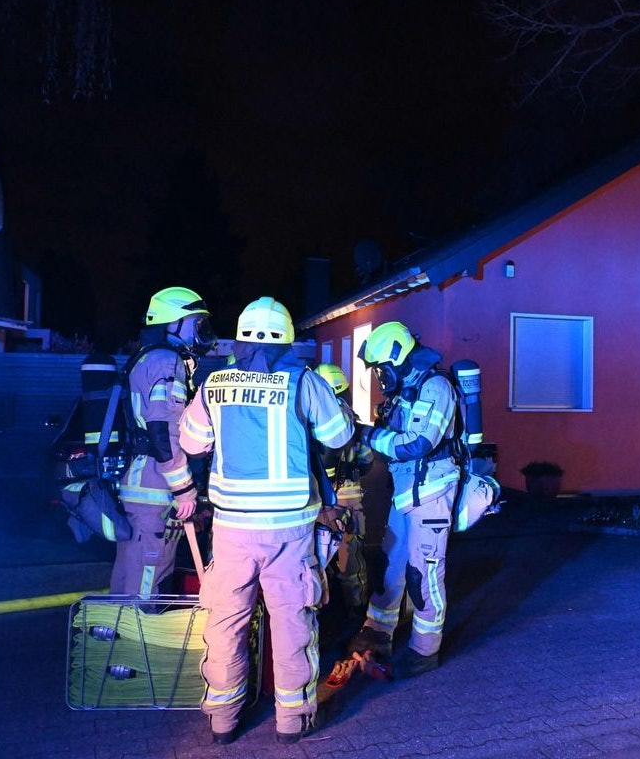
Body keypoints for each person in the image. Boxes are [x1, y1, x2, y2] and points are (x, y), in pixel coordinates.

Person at [179, 297, 352, 745]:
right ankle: (292, 721)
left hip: (233, 531)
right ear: (288, 338)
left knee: (225, 623)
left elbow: (192, 443)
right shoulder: (304, 382)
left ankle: (222, 719)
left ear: (240, 337)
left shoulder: (215, 384)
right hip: (290, 531)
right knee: (292, 622)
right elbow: (339, 436)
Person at [347, 321, 460, 678]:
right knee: (390, 564)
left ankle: (426, 650)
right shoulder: (405, 391)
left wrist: (367, 434)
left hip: (432, 494)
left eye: (382, 368)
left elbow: (417, 444)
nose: (381, 376)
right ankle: (378, 631)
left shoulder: (435, 386)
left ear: (398, 356)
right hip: (406, 493)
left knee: (423, 574)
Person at [110, 286, 216, 597]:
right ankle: (137, 635)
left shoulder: (148, 358)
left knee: (129, 568)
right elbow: (164, 431)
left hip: (142, 484)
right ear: (173, 325)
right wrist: (183, 489)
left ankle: (110, 636)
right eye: (196, 323)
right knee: (148, 577)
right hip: (155, 489)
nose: (202, 332)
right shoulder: (167, 362)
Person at [313, 362, 375, 634]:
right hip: (349, 495)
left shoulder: (312, 416)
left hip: (318, 498)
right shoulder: (350, 419)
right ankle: (356, 611)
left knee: (315, 553)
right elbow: (366, 460)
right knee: (350, 556)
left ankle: (320, 610)